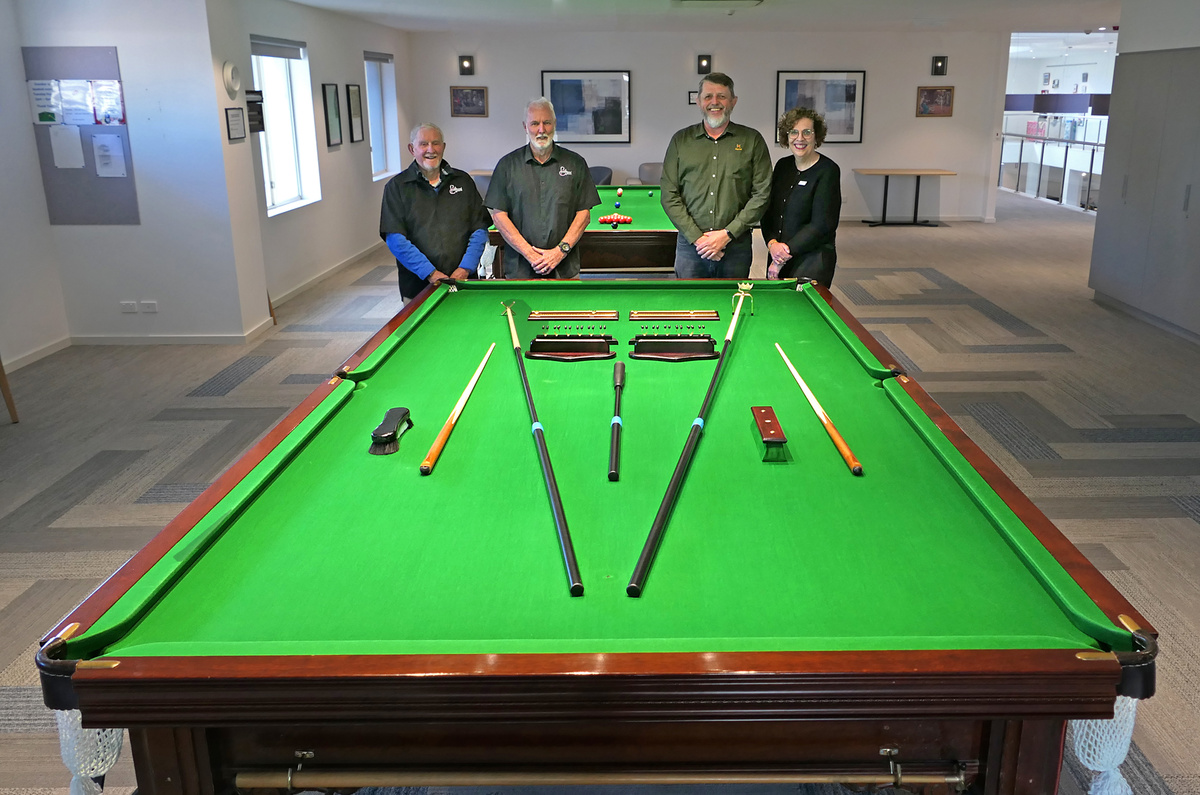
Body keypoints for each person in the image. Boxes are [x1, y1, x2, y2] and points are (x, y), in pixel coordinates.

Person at [660, 73, 771, 278]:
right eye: (708, 96)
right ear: (698, 101)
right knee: (690, 308)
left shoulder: (752, 140)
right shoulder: (680, 141)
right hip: (691, 248)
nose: (715, 102)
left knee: (733, 306)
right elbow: (669, 194)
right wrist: (698, 239)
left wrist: (727, 234)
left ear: (733, 102)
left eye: (722, 96)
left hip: (736, 247)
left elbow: (762, 194)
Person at [486, 98, 600, 279]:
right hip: (519, 270)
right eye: (534, 123)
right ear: (525, 127)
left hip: (565, 269)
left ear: (554, 124)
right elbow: (499, 215)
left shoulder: (576, 163)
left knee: (567, 309)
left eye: (546, 122)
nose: (541, 129)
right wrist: (531, 255)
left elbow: (584, 214)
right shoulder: (507, 165)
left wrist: (559, 252)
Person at [379, 123, 490, 301]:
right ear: (411, 149)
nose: (431, 149)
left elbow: (480, 228)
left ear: (443, 147)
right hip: (418, 286)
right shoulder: (396, 187)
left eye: (436, 143)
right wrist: (430, 273)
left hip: (464, 282)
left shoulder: (463, 181)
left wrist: (465, 268)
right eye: (423, 144)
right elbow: (396, 239)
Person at [760, 107, 842, 287]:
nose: (800, 138)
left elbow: (822, 225)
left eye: (807, 132)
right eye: (794, 132)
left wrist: (781, 257)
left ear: (816, 136)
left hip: (811, 260)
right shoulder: (783, 166)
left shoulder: (828, 171)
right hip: (777, 254)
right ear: (786, 136)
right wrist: (772, 243)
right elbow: (768, 212)